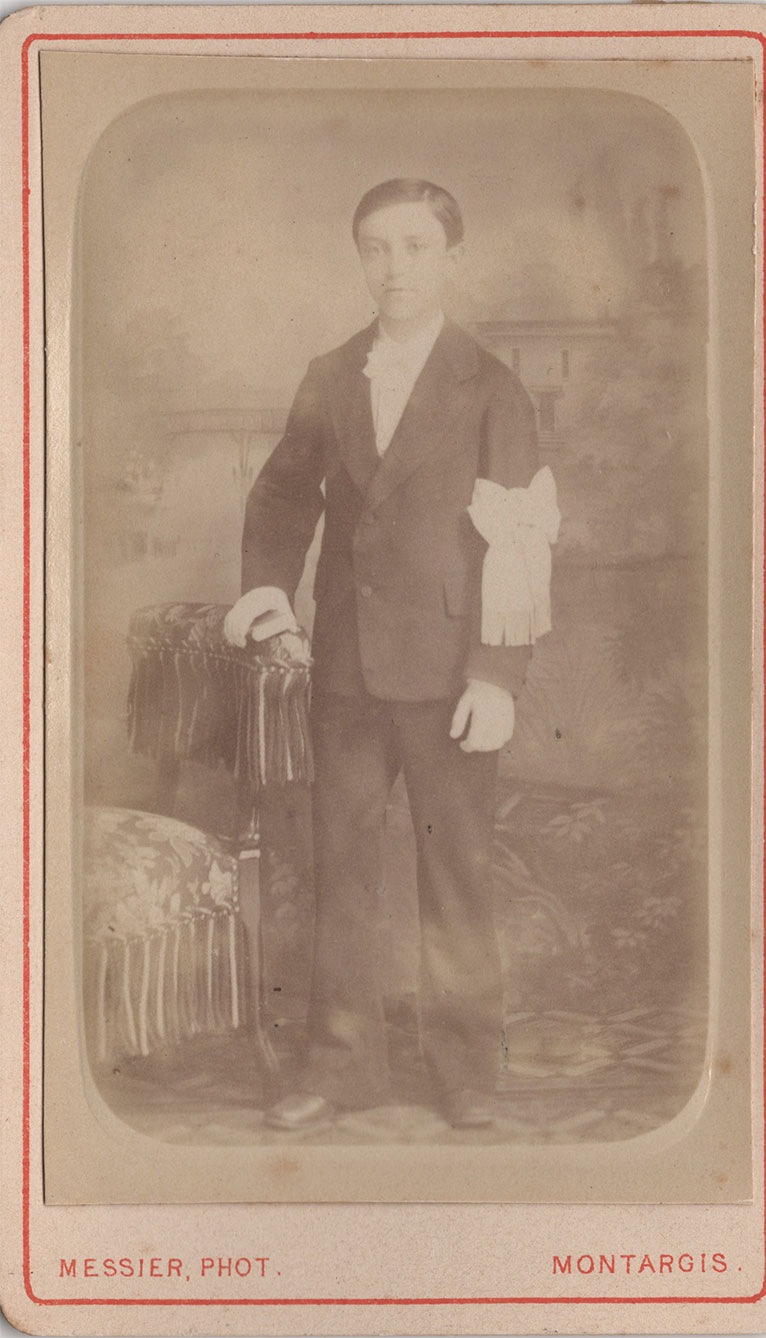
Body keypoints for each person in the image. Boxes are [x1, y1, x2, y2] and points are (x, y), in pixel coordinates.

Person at [224, 178, 559, 1131]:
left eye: (415, 247)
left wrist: (496, 675)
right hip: (345, 669)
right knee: (343, 870)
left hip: (452, 674)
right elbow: (282, 497)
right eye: (376, 248)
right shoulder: (330, 373)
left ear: (452, 258)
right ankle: (342, 1065)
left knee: (456, 873)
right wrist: (271, 605)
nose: (395, 267)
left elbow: (519, 539)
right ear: (360, 259)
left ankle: (465, 1070)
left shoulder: (489, 384)